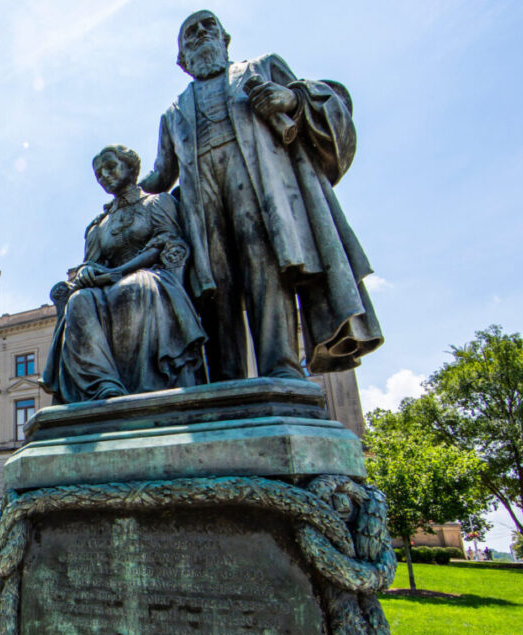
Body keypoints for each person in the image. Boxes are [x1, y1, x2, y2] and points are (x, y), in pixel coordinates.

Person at [139, 10, 382, 382]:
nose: (202, 34)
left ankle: (281, 368)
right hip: (201, 205)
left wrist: (289, 100)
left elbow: (320, 99)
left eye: (209, 27)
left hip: (259, 185)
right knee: (214, 286)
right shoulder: (173, 112)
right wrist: (128, 191)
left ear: (225, 40)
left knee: (265, 268)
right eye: (191, 33)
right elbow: (162, 173)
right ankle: (226, 380)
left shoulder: (261, 68)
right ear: (182, 60)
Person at [43, 145, 205, 403]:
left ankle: (148, 385)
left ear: (130, 166)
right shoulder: (99, 225)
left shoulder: (157, 203)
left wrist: (117, 272)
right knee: (79, 300)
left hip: (152, 275)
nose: (104, 176)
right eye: (99, 174)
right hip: (107, 283)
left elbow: (166, 244)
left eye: (110, 167)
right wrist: (87, 273)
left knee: (135, 287)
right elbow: (91, 262)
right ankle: (104, 385)